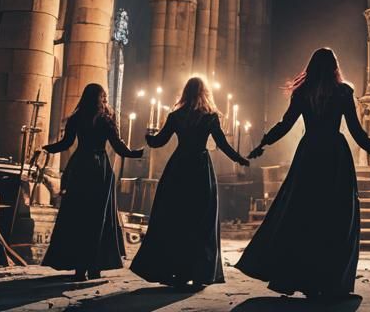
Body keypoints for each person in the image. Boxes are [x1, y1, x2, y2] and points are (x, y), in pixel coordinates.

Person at [237, 48, 370, 297]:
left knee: (303, 213)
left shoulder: (303, 93)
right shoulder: (343, 92)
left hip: (310, 154)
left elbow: (285, 124)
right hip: (335, 156)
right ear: (334, 68)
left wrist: (263, 143)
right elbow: (356, 131)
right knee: (336, 216)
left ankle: (302, 276)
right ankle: (329, 279)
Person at [130, 76, 248, 289]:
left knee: (175, 217)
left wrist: (148, 136)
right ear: (205, 93)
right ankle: (199, 271)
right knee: (199, 218)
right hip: (200, 169)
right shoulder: (210, 117)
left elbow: (159, 142)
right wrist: (240, 159)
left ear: (185, 92)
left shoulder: (175, 116)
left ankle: (175, 270)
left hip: (179, 168)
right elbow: (222, 144)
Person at [41, 83, 143, 281]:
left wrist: (48, 148)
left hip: (80, 167)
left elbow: (66, 143)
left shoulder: (76, 118)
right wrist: (137, 153)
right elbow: (119, 147)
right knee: (98, 219)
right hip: (99, 171)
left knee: (78, 216)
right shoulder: (106, 120)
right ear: (101, 98)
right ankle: (95, 266)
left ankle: (79, 269)